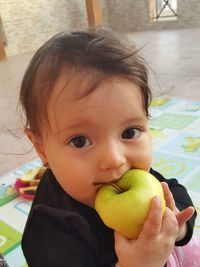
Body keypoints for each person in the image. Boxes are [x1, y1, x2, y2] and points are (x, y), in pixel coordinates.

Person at [20, 28, 199, 267]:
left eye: (129, 132)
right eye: (80, 141)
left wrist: (178, 227)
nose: (114, 160)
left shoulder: (132, 177)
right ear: (42, 149)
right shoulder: (49, 234)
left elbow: (175, 191)